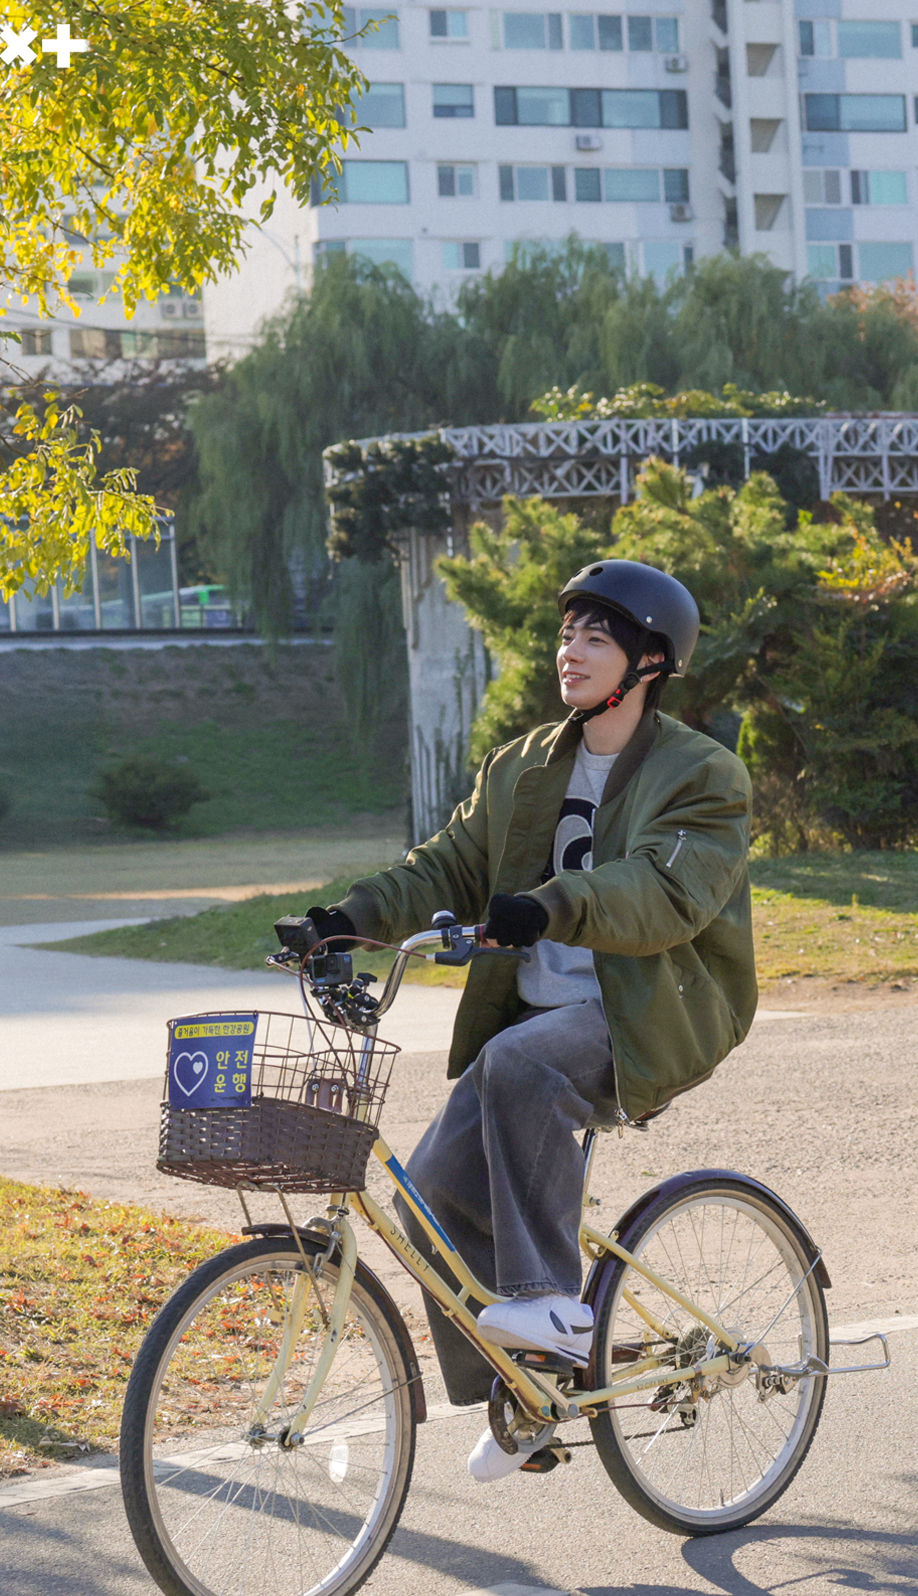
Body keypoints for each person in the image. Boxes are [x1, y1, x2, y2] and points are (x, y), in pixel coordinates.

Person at [306, 559, 757, 1481]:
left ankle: (551, 1303)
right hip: (536, 1022)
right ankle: (527, 1390)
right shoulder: (524, 765)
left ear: (650, 662)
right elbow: (444, 868)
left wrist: (549, 905)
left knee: (520, 1068)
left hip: (647, 1014)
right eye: (566, 634)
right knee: (426, 1199)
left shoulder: (700, 774)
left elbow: (666, 891)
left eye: (597, 637)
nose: (571, 651)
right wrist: (343, 920)